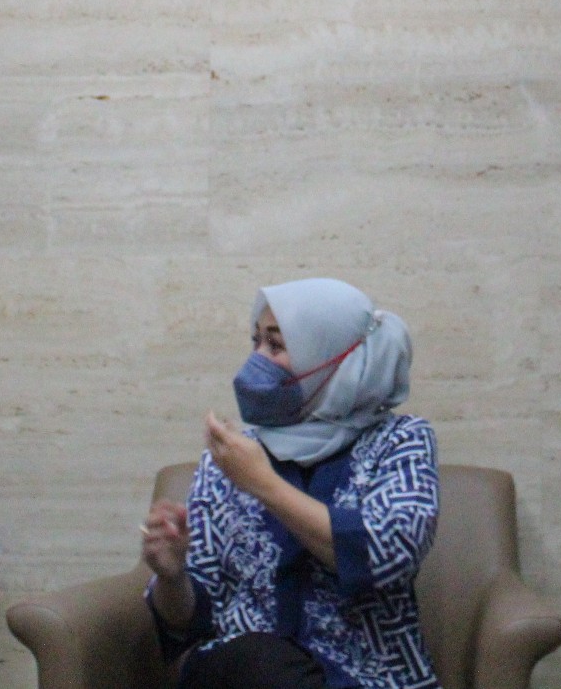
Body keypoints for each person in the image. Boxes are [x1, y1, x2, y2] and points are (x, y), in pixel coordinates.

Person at [139, 278, 440, 689]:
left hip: (369, 677)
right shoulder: (231, 457)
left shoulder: (401, 441)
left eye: (275, 345)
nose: (257, 359)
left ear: (332, 358)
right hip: (242, 673)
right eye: (256, 342)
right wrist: (172, 576)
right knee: (253, 662)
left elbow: (385, 556)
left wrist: (262, 483)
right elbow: (190, 621)